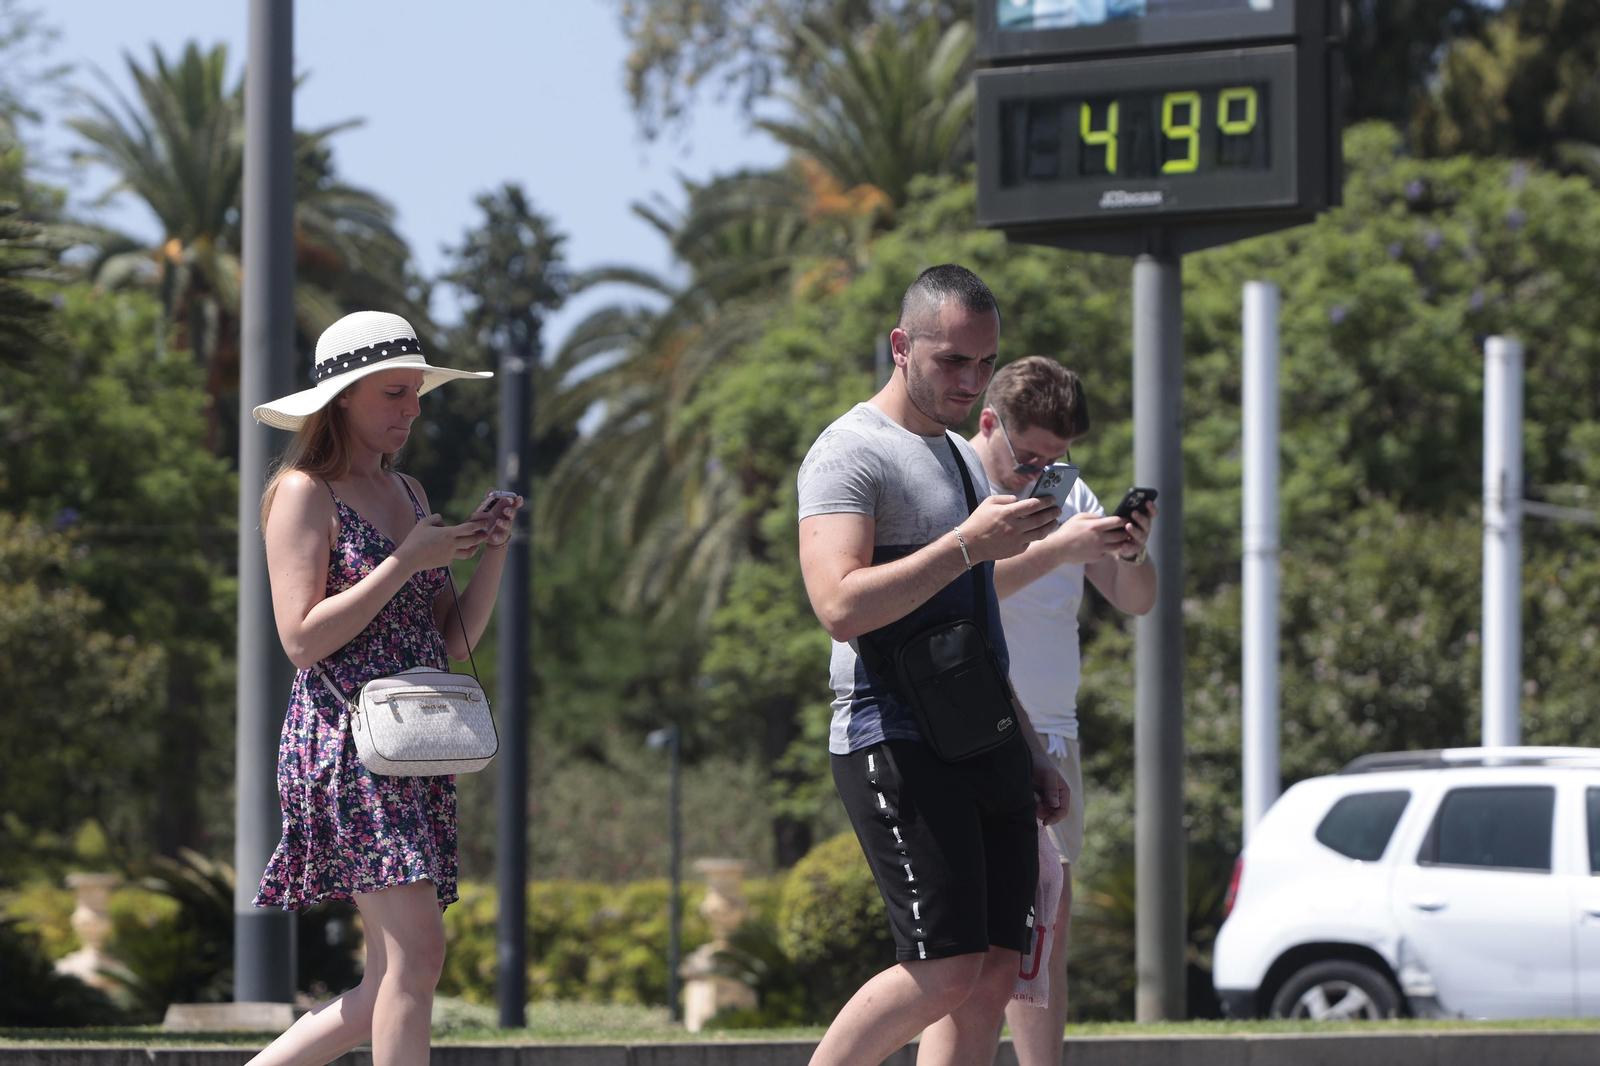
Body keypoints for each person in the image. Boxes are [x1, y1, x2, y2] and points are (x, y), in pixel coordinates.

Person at [796, 265, 1070, 1066]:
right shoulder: (848, 452)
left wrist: (1023, 746)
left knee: (990, 976)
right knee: (943, 964)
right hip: (895, 731)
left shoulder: (962, 459)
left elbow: (976, 631)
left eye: (985, 363)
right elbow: (838, 605)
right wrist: (964, 546)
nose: (972, 379)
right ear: (899, 346)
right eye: (953, 360)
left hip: (981, 735)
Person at [246, 310, 518, 1066]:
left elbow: (452, 640)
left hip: (411, 741)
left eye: (417, 393)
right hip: (344, 744)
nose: (413, 409)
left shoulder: (407, 489)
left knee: (391, 980)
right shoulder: (304, 492)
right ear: (343, 397)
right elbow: (300, 640)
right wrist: (404, 559)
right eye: (395, 393)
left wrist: (487, 552)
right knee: (417, 958)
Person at [969, 356, 1157, 1065]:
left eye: (1059, 455)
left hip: (1055, 731)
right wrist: (1057, 551)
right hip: (986, 731)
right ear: (990, 424)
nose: (1043, 472)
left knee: (1047, 929)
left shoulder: (1068, 493)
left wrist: (1130, 552)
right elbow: (965, 589)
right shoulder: (959, 481)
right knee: (980, 940)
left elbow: (1136, 601)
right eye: (1032, 456)